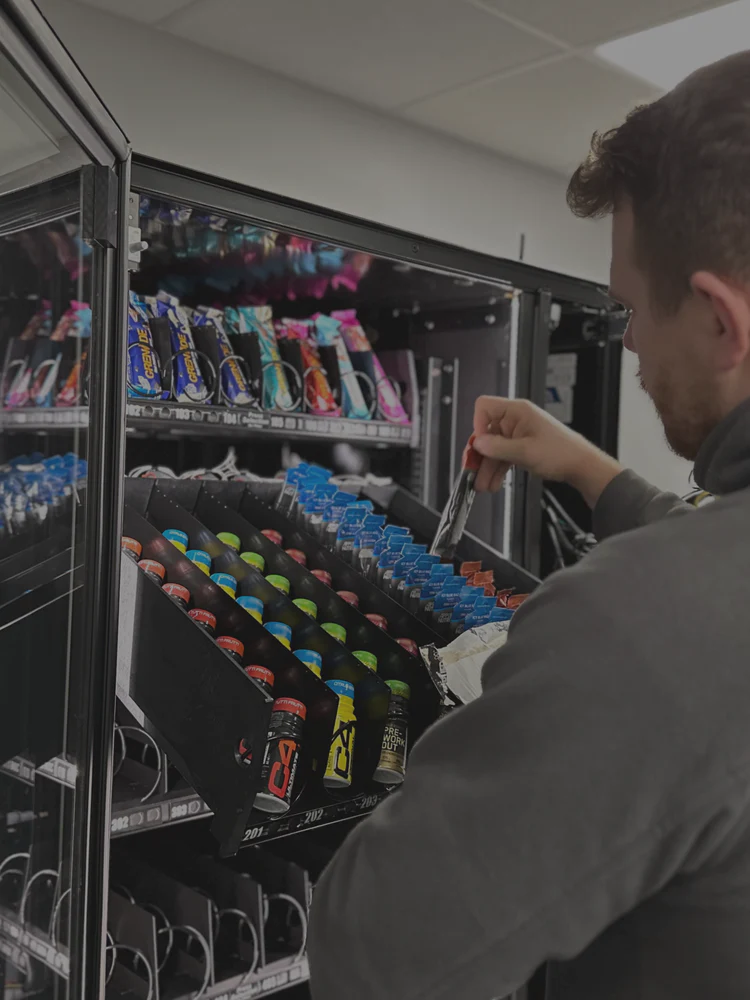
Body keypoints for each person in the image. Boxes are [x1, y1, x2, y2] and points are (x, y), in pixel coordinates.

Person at [307, 50, 750, 1000]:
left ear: (721, 321)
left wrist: (482, 726)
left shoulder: (637, 626)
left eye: (630, 308)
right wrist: (592, 471)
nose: (625, 341)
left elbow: (376, 957)